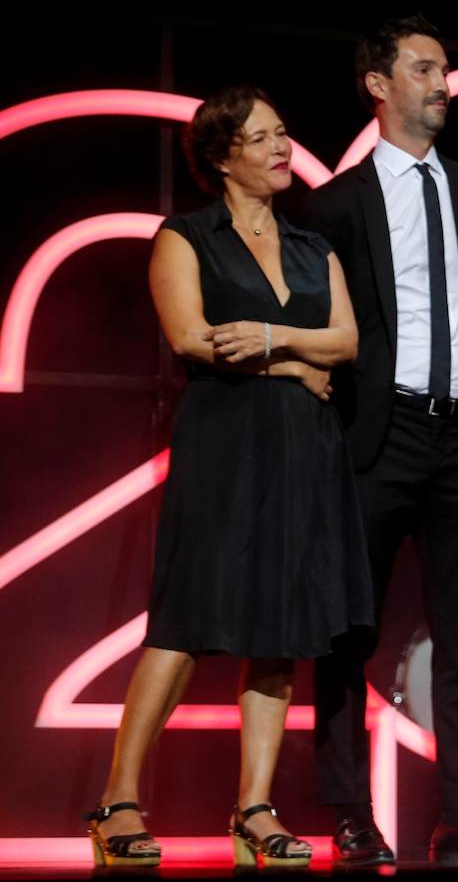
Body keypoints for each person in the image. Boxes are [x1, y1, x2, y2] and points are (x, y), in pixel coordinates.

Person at [83, 85, 372, 870]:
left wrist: (275, 340)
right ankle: (118, 800)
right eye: (263, 138)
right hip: (224, 444)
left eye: (284, 133)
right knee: (185, 622)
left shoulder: (315, 247)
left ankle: (254, 807)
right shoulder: (187, 237)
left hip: (305, 452)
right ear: (222, 156)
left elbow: (345, 342)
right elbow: (192, 337)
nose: (283, 148)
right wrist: (293, 366)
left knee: (280, 633)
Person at [299, 15, 458, 867]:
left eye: (445, 70)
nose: (444, 84)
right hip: (380, 433)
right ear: (379, 84)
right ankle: (349, 815)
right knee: (346, 631)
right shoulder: (336, 204)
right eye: (425, 70)